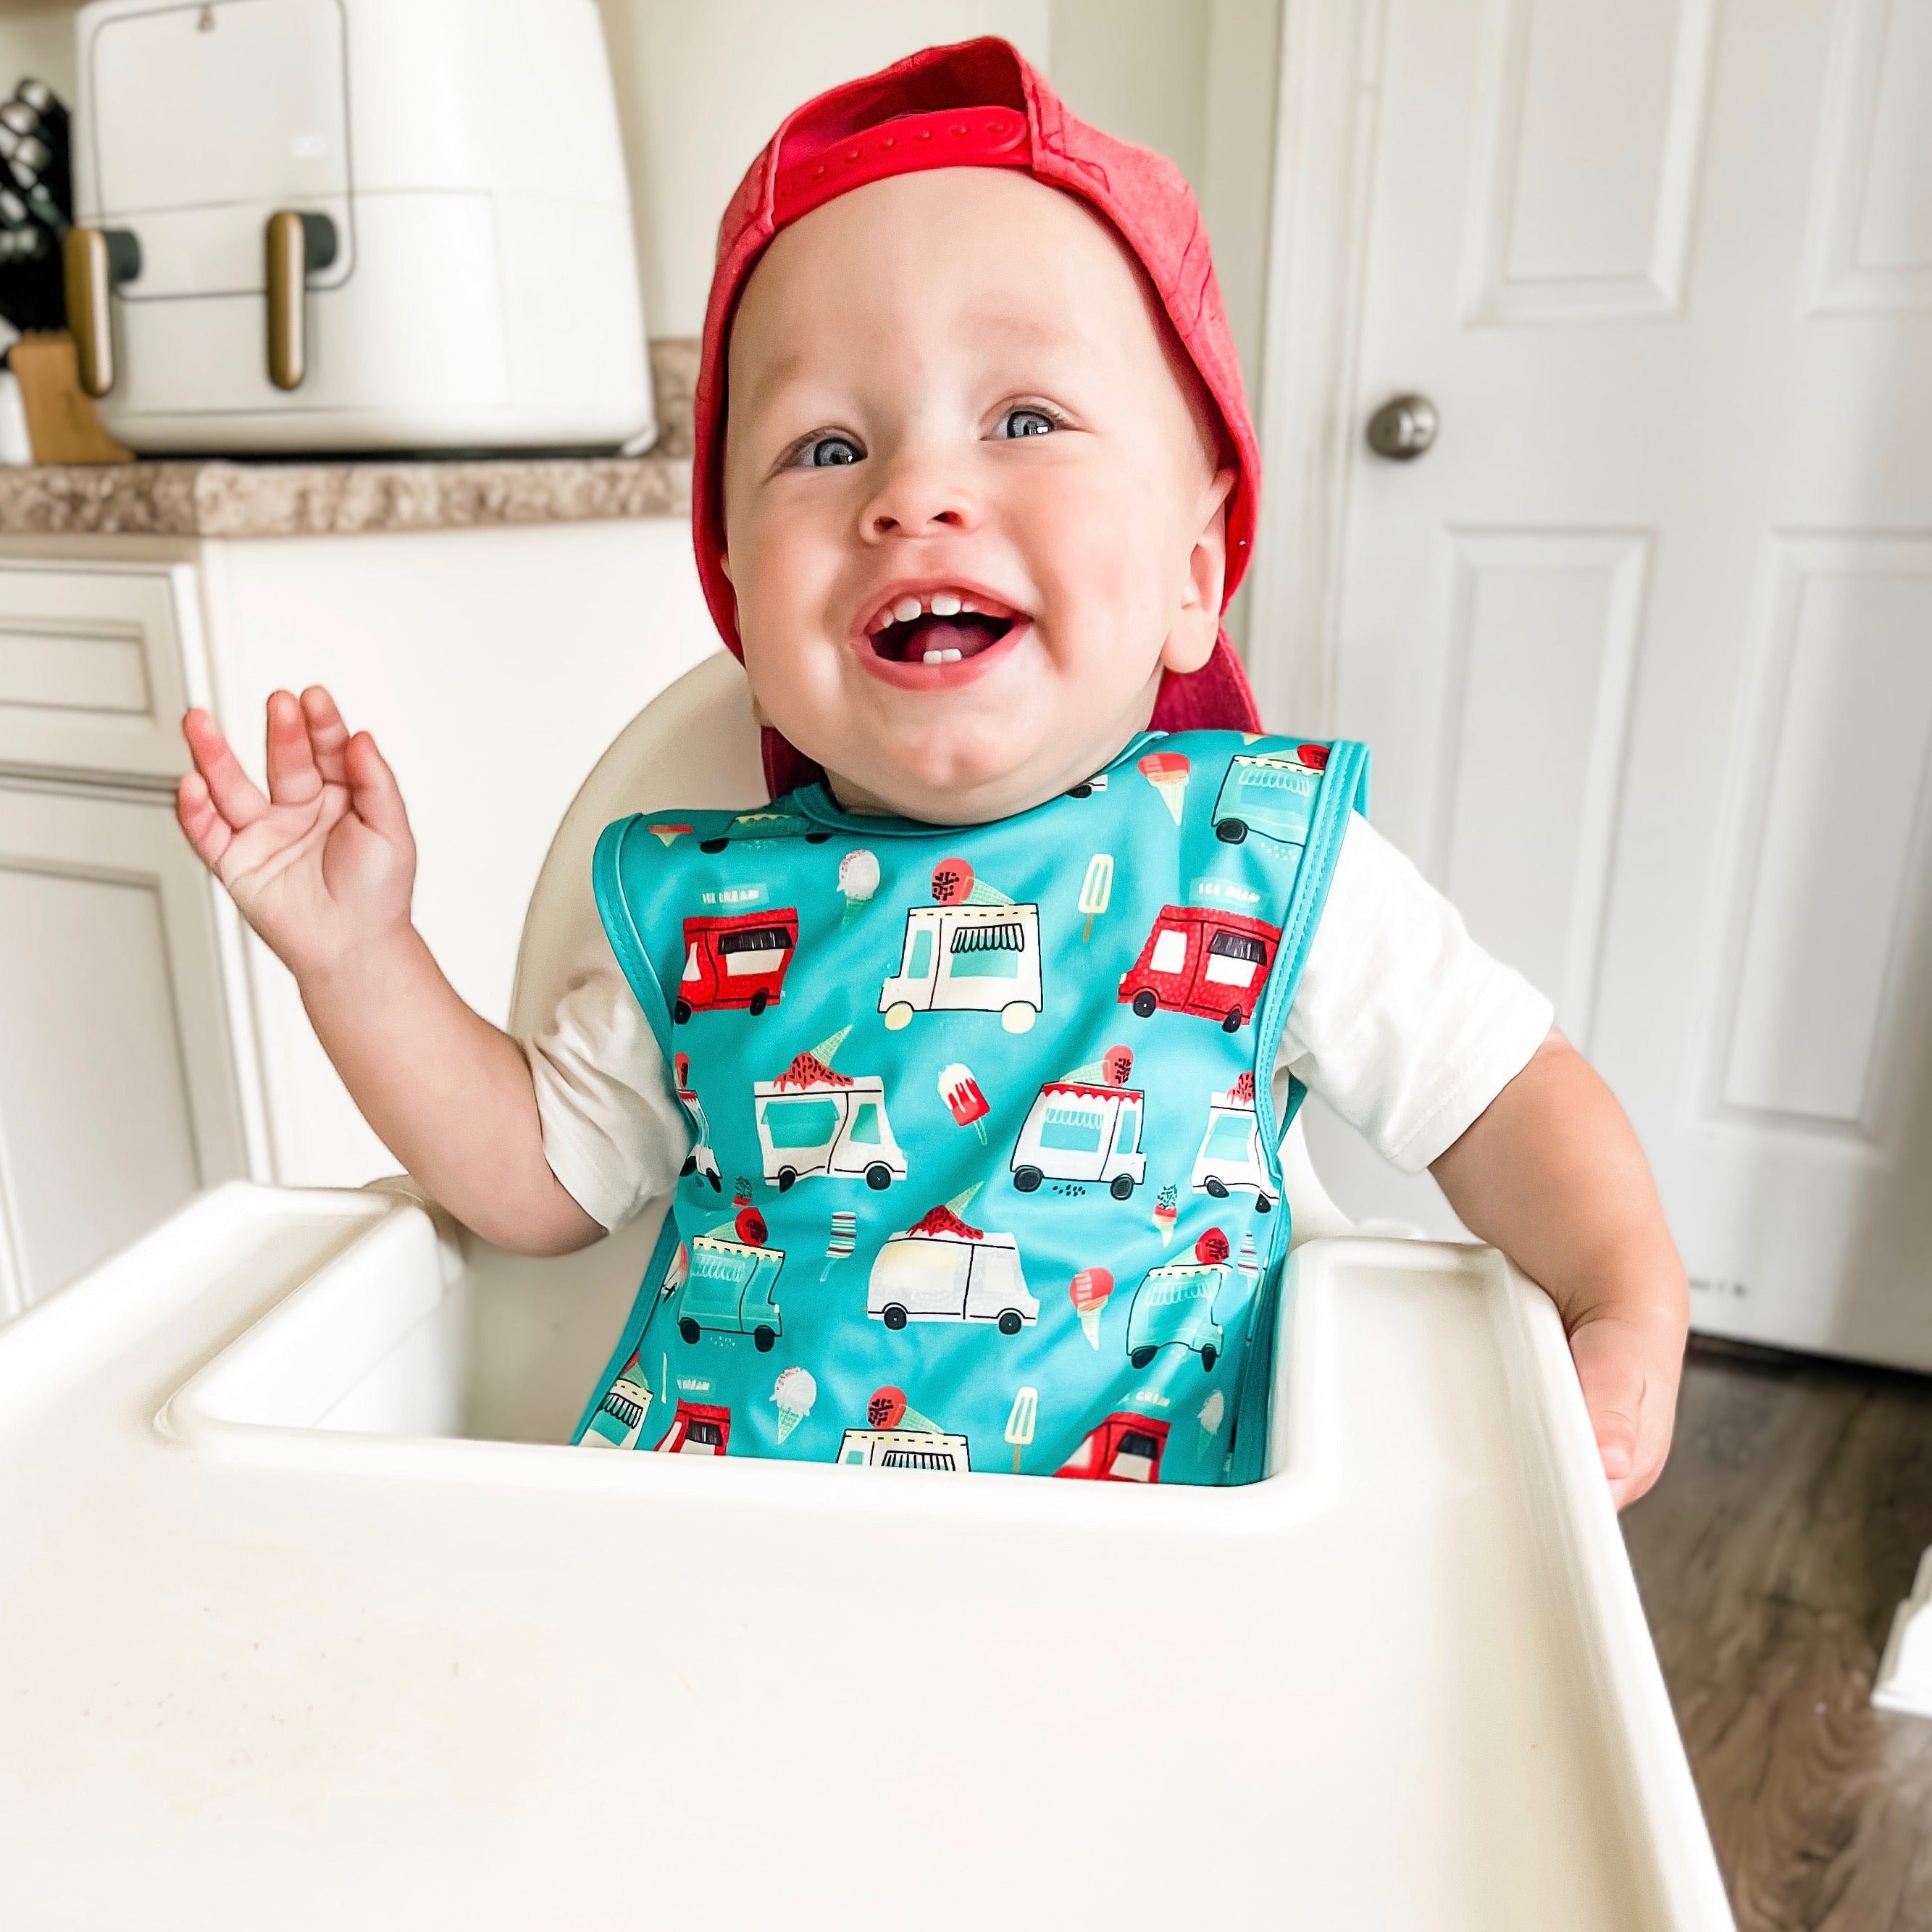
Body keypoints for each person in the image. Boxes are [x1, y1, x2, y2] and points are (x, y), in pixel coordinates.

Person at [173, 38, 1686, 1497]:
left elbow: (1495, 1093)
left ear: (1194, 569)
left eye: (1024, 417)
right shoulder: (708, 916)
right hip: (720, 1575)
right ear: (740, 601)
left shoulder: (1259, 863)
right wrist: (357, 957)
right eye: (826, 448)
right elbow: (533, 1188)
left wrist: (1622, 1292)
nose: (914, 493)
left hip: (1139, 1605)